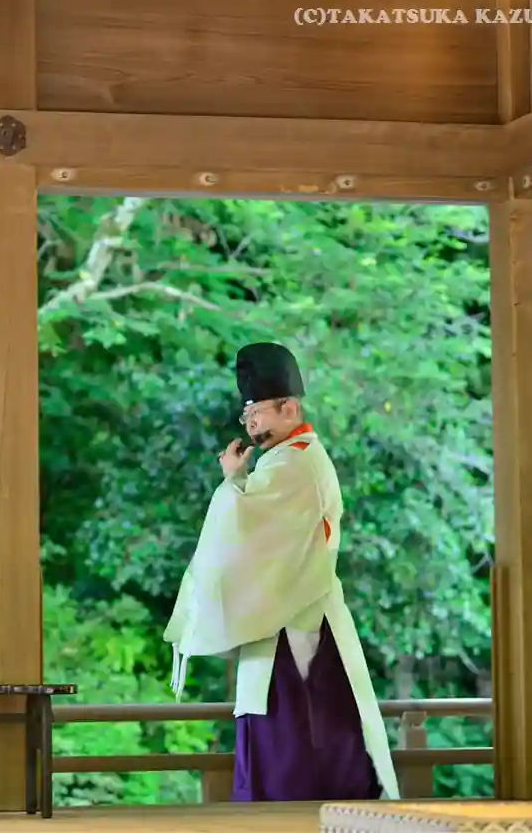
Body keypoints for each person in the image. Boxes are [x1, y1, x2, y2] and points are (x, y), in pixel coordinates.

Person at [163, 342, 399, 802]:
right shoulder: (288, 460)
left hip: (300, 625)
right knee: (293, 742)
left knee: (297, 751)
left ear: (289, 408)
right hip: (291, 619)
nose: (251, 425)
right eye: (247, 416)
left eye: (258, 414)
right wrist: (238, 482)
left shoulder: (297, 462)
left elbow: (247, 530)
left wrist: (233, 483)